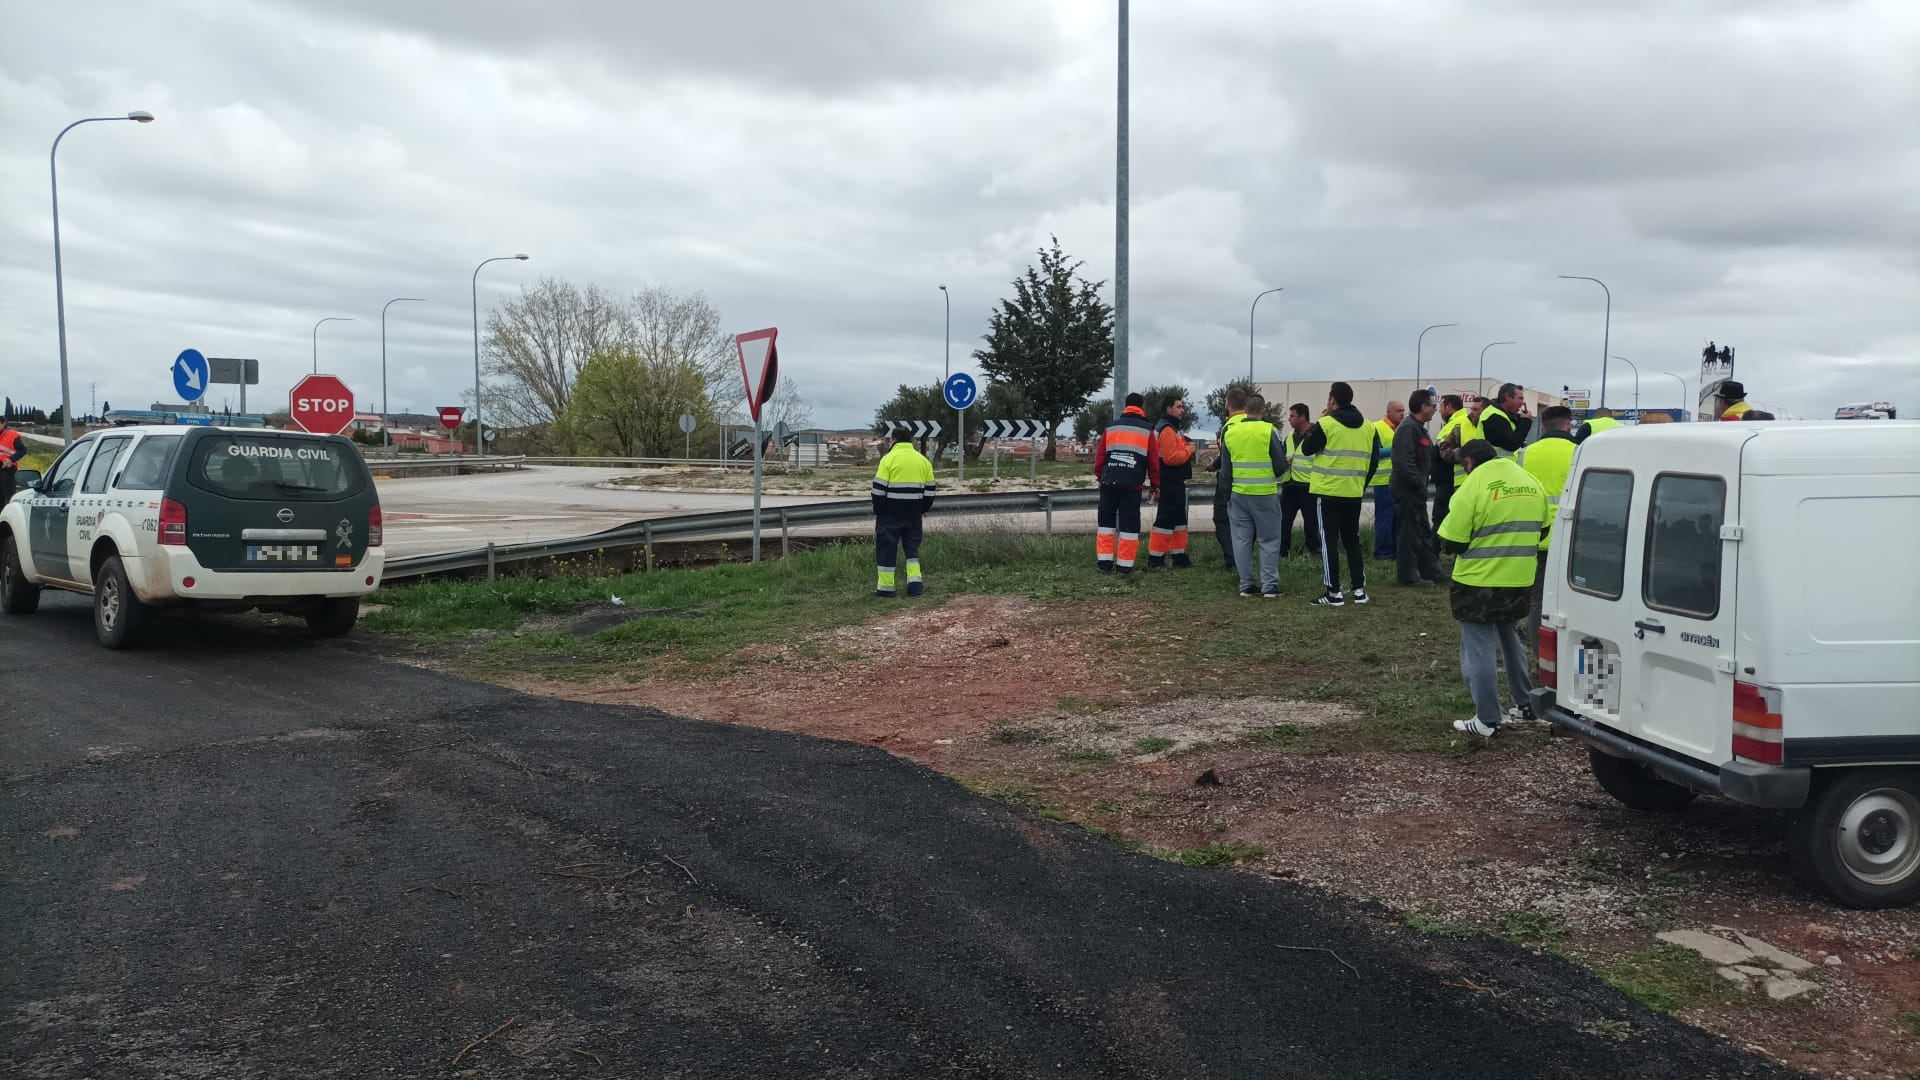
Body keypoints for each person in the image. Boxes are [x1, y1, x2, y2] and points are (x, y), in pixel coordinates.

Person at [1437, 440, 1551, 738]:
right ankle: (1526, 704)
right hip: (1519, 580)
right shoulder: (1529, 481)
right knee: (1511, 639)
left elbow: (1454, 541)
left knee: (1478, 648)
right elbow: (1544, 529)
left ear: (1470, 462)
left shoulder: (1474, 486)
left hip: (1478, 582)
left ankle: (1487, 719)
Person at [1300, 381, 1380, 607]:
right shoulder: (1369, 427)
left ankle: (1333, 592)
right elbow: (1373, 461)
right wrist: (1360, 484)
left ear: (1332, 399)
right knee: (1352, 540)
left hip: (1328, 492)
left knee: (1329, 542)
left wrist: (1319, 422)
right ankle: (1359, 590)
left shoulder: (1326, 423)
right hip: (1353, 491)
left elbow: (1306, 448)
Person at [1517, 405, 1578, 660]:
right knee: (1574, 599)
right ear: (1568, 426)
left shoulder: (1524, 453)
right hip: (1570, 537)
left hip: (1535, 535)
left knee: (1538, 600)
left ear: (1542, 427)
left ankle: (1539, 657)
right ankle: (1570, 654)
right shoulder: (1578, 452)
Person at [1220, 394, 1288, 597]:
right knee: (1269, 540)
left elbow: (1225, 471)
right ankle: (1269, 586)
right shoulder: (1269, 431)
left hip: (1239, 494)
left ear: (1245, 410)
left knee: (1241, 540)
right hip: (1264, 493)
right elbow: (1279, 466)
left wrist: (1227, 494)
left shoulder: (1231, 432)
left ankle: (1246, 585)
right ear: (1264, 410)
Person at [1092, 393, 1160, 575]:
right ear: (1141, 407)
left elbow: (1100, 458)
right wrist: (1155, 484)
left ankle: (1104, 564)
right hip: (1132, 485)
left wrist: (1100, 477)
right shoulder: (1147, 430)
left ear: (1126, 406)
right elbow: (1153, 461)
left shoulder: (1111, 427)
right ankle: (1124, 567)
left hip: (1109, 482)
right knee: (1129, 526)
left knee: (1106, 525)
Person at [870, 425, 936, 597]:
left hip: (890, 512)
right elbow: (930, 492)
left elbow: (878, 490)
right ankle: (915, 586)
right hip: (914, 513)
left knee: (887, 548)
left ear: (893, 439)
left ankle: (886, 589)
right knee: (912, 550)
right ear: (911, 440)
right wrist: (921, 509)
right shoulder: (923, 461)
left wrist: (879, 510)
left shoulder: (888, 459)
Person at [1390, 390, 1443, 587]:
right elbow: (1405, 462)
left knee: (1422, 533)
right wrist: (1419, 484)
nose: (1434, 409)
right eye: (1432, 405)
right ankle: (1408, 577)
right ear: (1423, 407)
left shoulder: (1419, 428)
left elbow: (1428, 456)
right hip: (1408, 490)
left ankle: (1431, 572)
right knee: (1409, 534)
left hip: (1416, 489)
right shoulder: (1408, 429)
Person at [1147, 397, 1195, 569]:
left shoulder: (1170, 428)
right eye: (1179, 407)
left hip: (1173, 480)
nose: (1182, 410)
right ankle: (1156, 558)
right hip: (1169, 480)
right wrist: (1190, 449)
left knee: (1179, 519)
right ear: (1169, 409)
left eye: (1183, 407)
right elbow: (1171, 458)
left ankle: (1178, 555)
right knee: (1166, 519)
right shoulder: (1167, 429)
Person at [1207, 386, 1249, 573]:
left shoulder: (1229, 426)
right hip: (1253, 481)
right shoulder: (1254, 422)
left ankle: (1232, 561)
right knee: (1245, 522)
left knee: (1222, 519)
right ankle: (1245, 558)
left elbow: (1226, 455)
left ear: (1227, 404)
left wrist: (1215, 466)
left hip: (1230, 481)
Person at [1278, 403, 1321, 559]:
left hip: (1309, 485)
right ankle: (1282, 552)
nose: (1289, 419)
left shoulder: (1317, 434)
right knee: (1284, 521)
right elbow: (1283, 454)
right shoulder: (1289, 436)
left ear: (1303, 417)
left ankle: (1314, 551)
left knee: (1311, 522)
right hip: (1290, 484)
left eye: (1292, 416)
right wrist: (1284, 461)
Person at [1369, 400, 1405, 560]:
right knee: (1385, 518)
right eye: (1398, 411)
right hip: (1383, 480)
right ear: (1389, 411)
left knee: (1397, 518)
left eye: (1403, 411)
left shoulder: (1403, 428)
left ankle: (1395, 550)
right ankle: (1383, 552)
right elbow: (1374, 452)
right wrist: (1395, 449)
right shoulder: (1377, 427)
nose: (1402, 414)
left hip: (1399, 480)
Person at [1431, 394, 1465, 526]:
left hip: (1449, 479)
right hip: (1447, 478)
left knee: (1441, 517)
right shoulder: (1453, 423)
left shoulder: (1457, 423)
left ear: (1449, 407)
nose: (1439, 411)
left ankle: (1439, 546)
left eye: (1441, 407)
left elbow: (1445, 449)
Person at [1477, 382, 1534, 456]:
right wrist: (1525, 422)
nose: (1523, 403)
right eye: (1520, 398)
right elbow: (1512, 444)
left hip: (1502, 465)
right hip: (1495, 465)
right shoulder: (1494, 417)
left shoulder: (1504, 415)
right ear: (1508, 396)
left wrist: (1521, 419)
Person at [0, 418, 25, 498]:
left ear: (3, 423)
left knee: (9, 496)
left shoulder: (12, 435)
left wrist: (11, 459)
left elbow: (23, 450)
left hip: (7, 468)